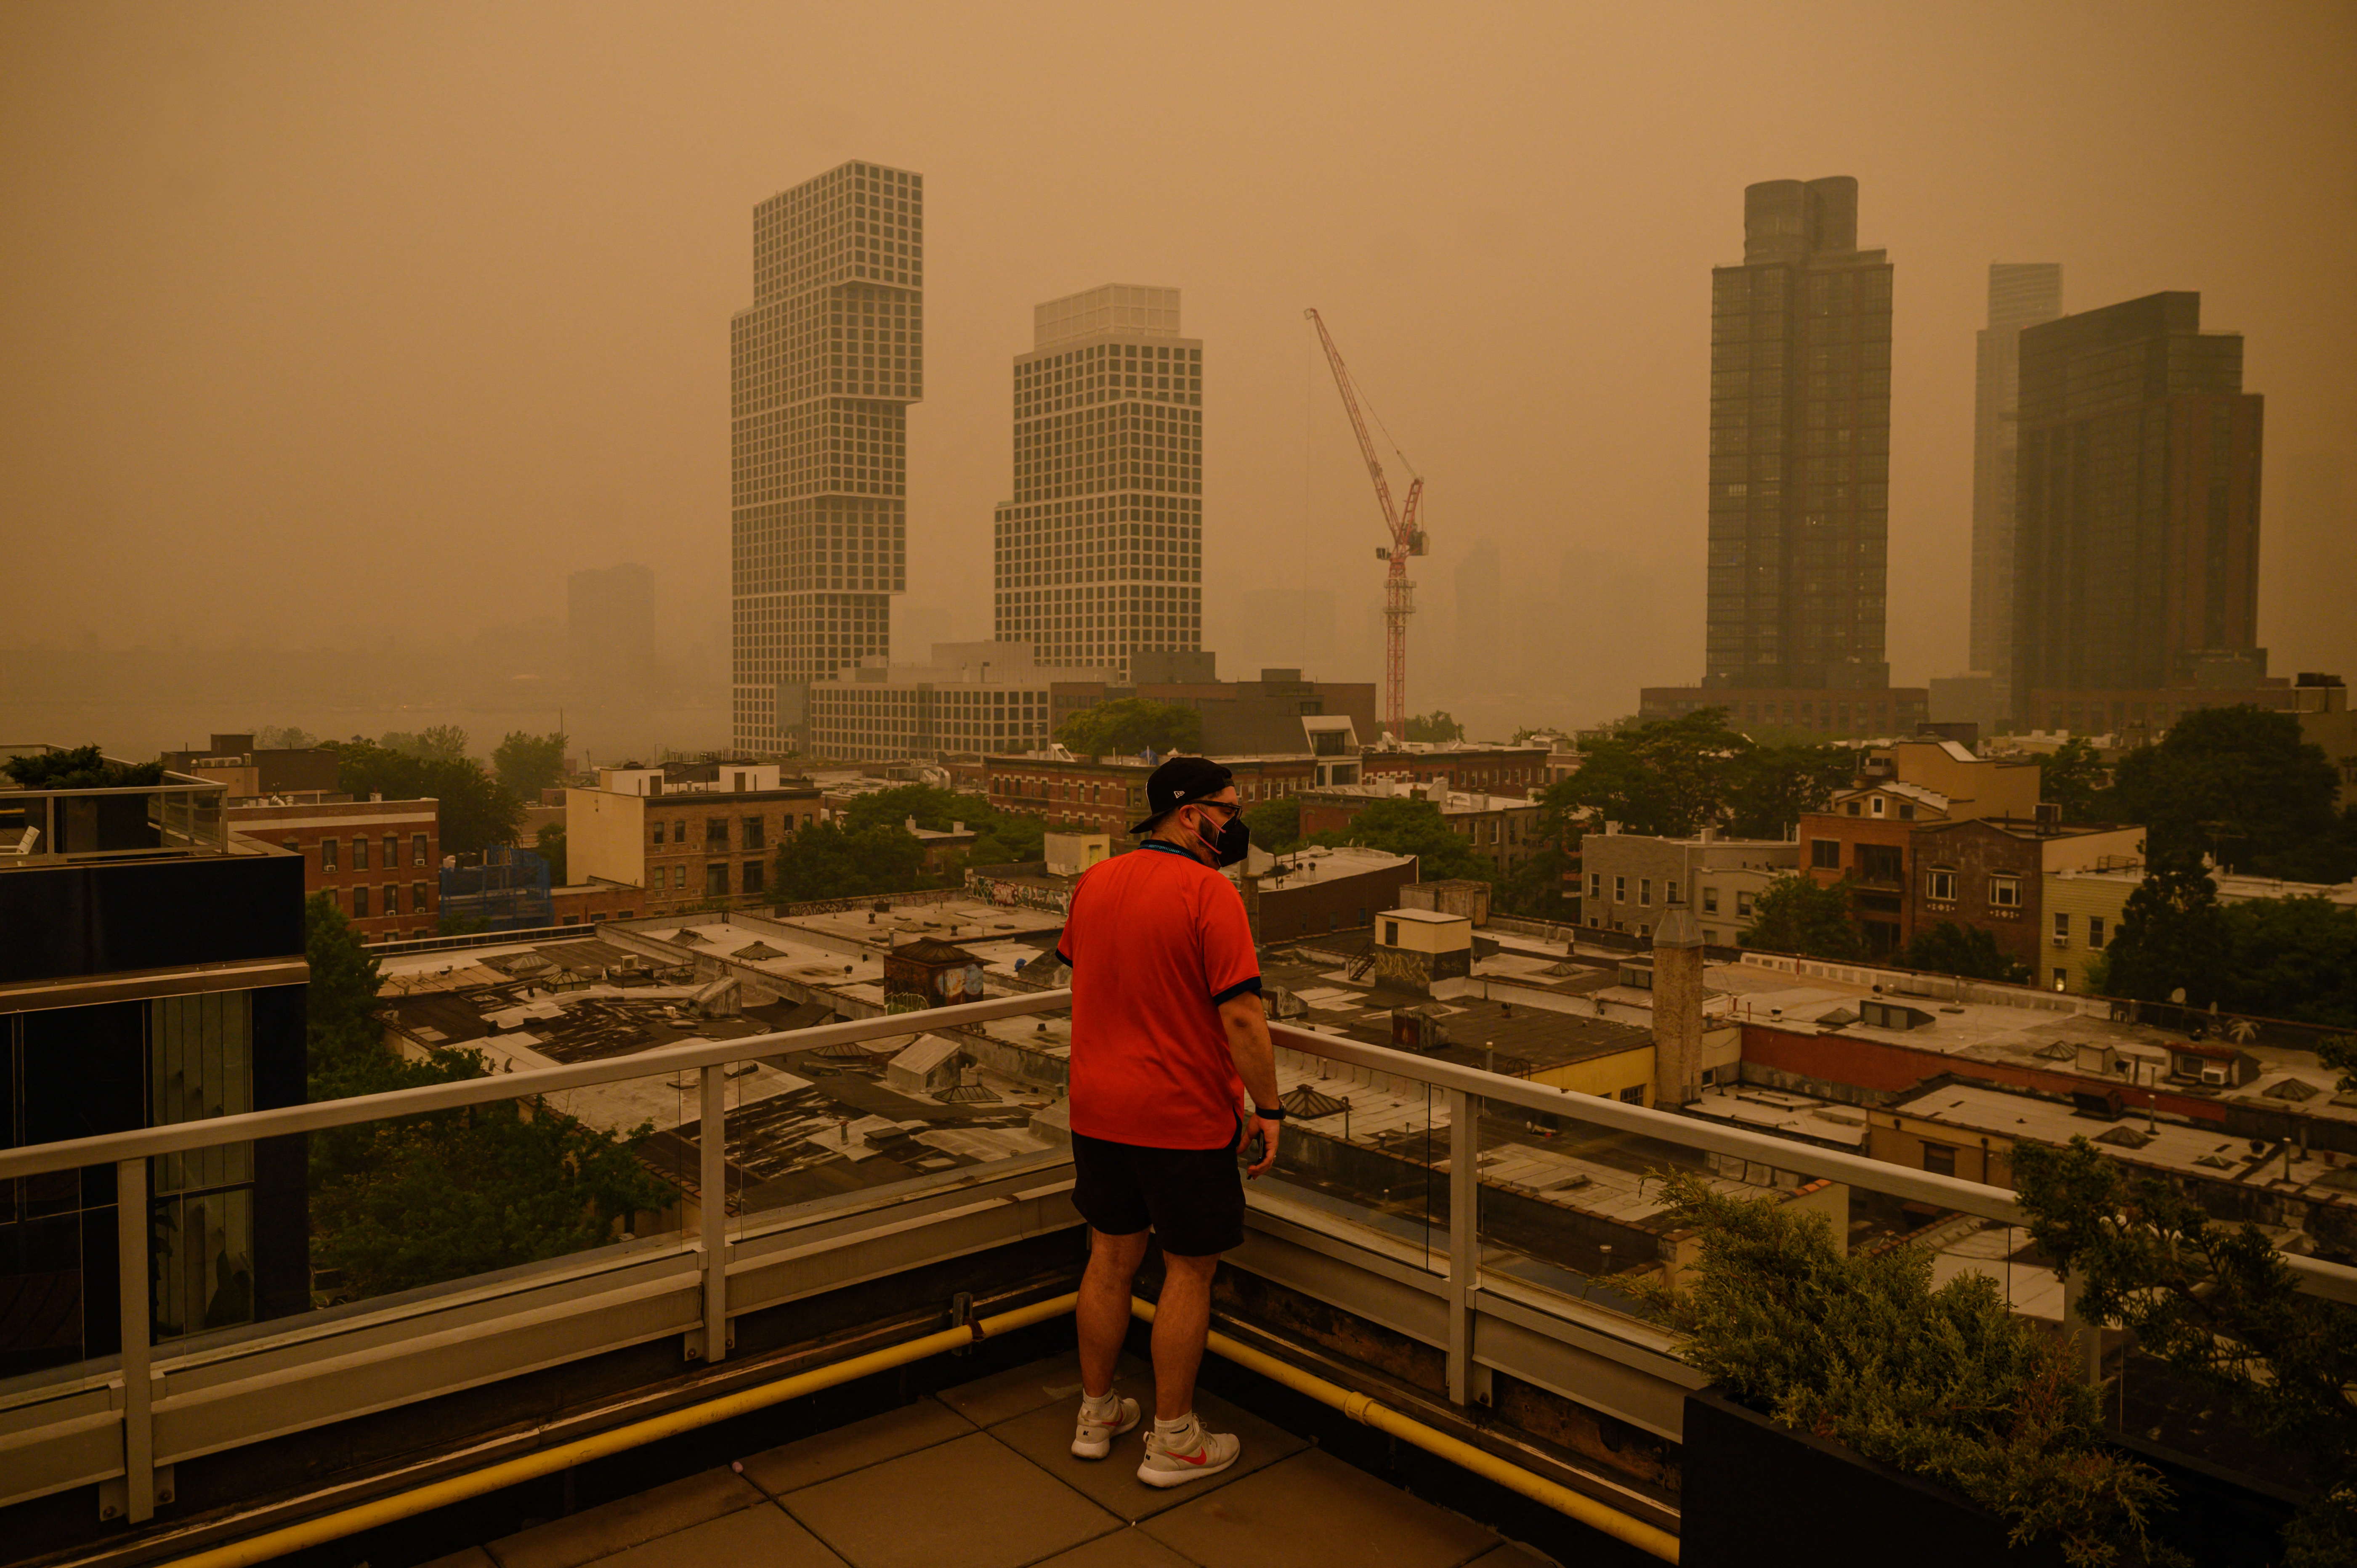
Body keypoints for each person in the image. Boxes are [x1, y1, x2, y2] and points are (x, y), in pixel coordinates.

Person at [1052, 755, 1285, 1486]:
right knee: (1188, 1270)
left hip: (1096, 1106)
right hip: (1179, 1116)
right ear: (1190, 815)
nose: (1235, 823)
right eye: (1229, 808)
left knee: (1109, 1260)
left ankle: (1096, 1415)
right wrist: (1268, 1108)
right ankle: (1174, 1439)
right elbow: (1242, 1017)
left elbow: (1091, 974)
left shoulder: (1095, 881)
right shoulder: (1208, 891)